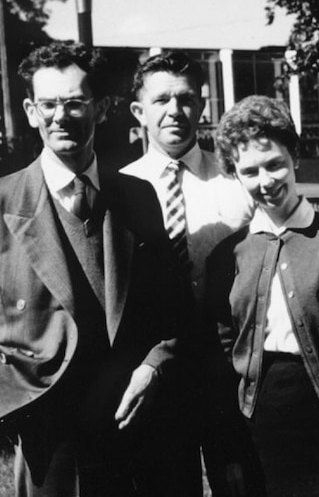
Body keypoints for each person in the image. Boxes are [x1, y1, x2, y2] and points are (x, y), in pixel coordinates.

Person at [0, 42, 186, 496]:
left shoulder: (139, 197)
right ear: (30, 110)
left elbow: (173, 306)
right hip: (46, 435)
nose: (60, 116)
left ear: (101, 108)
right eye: (48, 104)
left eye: (75, 102)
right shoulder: (3, 202)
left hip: (131, 424)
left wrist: (152, 369)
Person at [206, 95, 319, 497]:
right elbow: (223, 347)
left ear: (294, 158)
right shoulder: (229, 254)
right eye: (250, 171)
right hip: (260, 419)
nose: (266, 180)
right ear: (235, 174)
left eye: (274, 164)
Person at [120, 50, 253, 495]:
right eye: (160, 101)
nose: (174, 111)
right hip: (158, 373)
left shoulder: (237, 182)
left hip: (229, 370)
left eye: (185, 99)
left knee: (241, 484)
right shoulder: (119, 190)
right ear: (139, 111)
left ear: (202, 105)